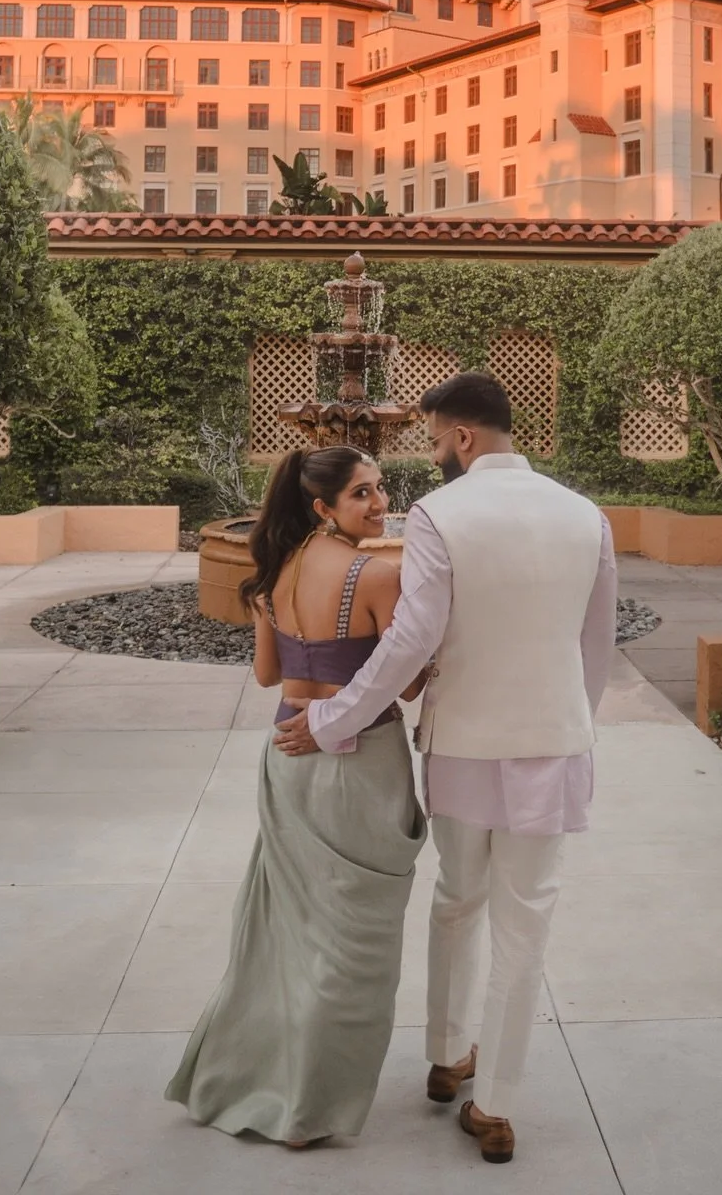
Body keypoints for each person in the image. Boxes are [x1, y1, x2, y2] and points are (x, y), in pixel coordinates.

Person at [275, 371, 616, 1166]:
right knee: (525, 922)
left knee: (458, 898)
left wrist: (330, 720)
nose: (432, 457)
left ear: (462, 437)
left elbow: (409, 643)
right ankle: (495, 1105)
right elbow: (596, 647)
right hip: (554, 740)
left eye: (432, 441)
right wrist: (572, 723)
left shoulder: (441, 513)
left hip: (463, 739)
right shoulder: (584, 516)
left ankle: (445, 1054)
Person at [165, 444, 427, 1148]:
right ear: (323, 507)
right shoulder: (382, 574)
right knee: (353, 942)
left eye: (379, 490)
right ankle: (309, 1108)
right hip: (359, 760)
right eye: (362, 495)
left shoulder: (275, 570)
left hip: (285, 757)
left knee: (288, 934)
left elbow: (265, 672)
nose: (380, 504)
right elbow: (405, 682)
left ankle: (250, 1078)